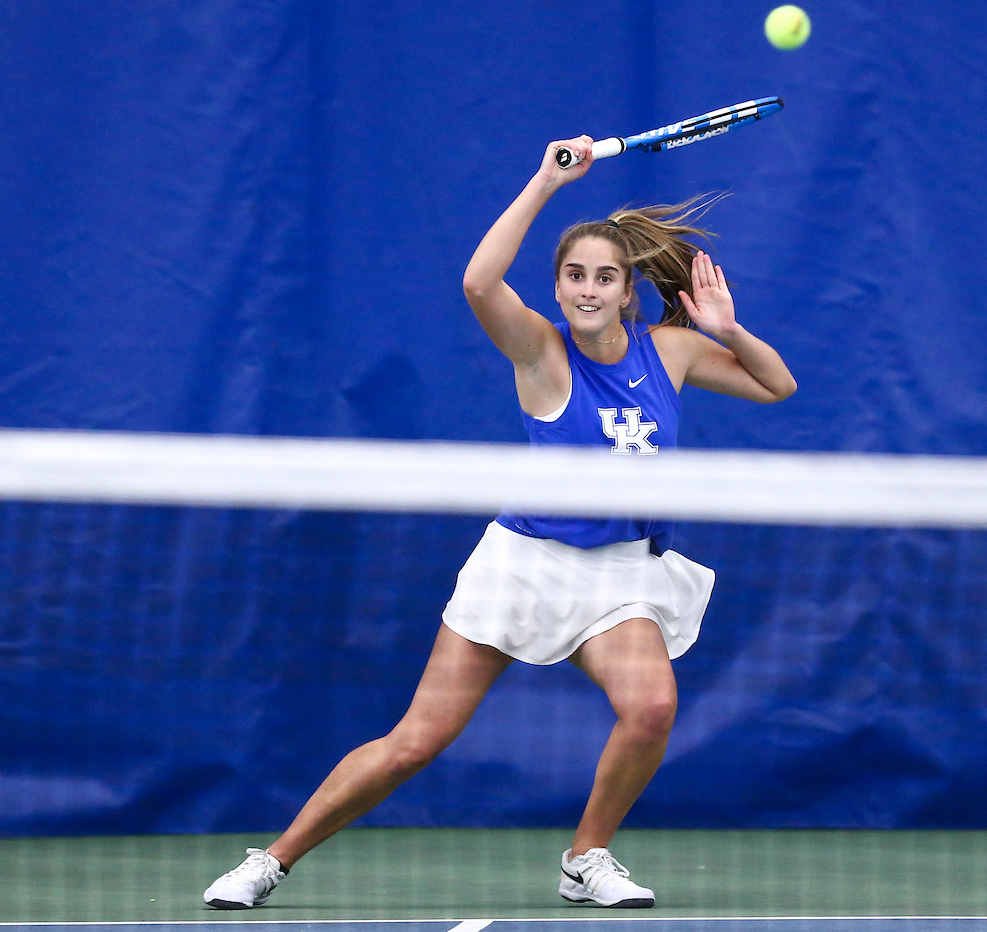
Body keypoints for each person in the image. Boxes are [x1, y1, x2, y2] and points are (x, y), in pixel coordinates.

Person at [203, 136, 796, 911]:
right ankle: (272, 860)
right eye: (573, 276)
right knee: (416, 742)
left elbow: (774, 385)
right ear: (556, 288)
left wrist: (726, 323)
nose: (588, 289)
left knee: (651, 708)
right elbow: (481, 282)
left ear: (625, 292)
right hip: (524, 566)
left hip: (620, 573)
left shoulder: (671, 352)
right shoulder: (541, 355)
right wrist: (545, 184)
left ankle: (586, 858)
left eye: (604, 278)